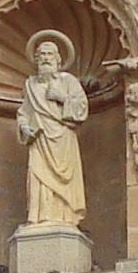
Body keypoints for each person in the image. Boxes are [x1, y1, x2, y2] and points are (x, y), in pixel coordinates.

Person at [16, 33, 88, 229]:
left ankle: (64, 218)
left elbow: (82, 107)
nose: (45, 58)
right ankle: (40, 217)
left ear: (58, 59)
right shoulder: (30, 85)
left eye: (50, 54)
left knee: (64, 183)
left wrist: (61, 97)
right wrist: (24, 127)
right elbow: (23, 112)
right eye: (41, 54)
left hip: (63, 139)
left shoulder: (68, 81)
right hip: (39, 141)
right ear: (36, 59)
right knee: (38, 179)